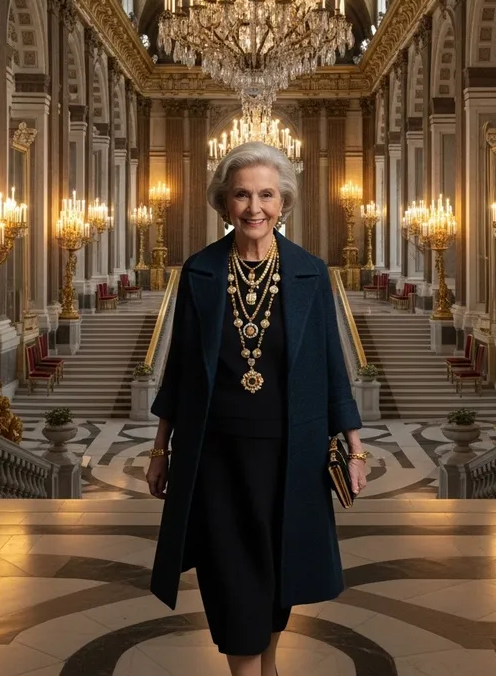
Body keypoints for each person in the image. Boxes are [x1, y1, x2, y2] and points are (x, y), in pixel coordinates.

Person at [146, 141, 367, 676]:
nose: (254, 207)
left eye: (266, 195)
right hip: (215, 454)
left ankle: (267, 667)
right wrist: (160, 450)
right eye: (241, 195)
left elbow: (333, 366)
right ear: (223, 203)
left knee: (276, 572)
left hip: (294, 452)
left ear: (283, 202)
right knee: (231, 575)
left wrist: (355, 449)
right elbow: (177, 369)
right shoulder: (198, 272)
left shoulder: (311, 273)